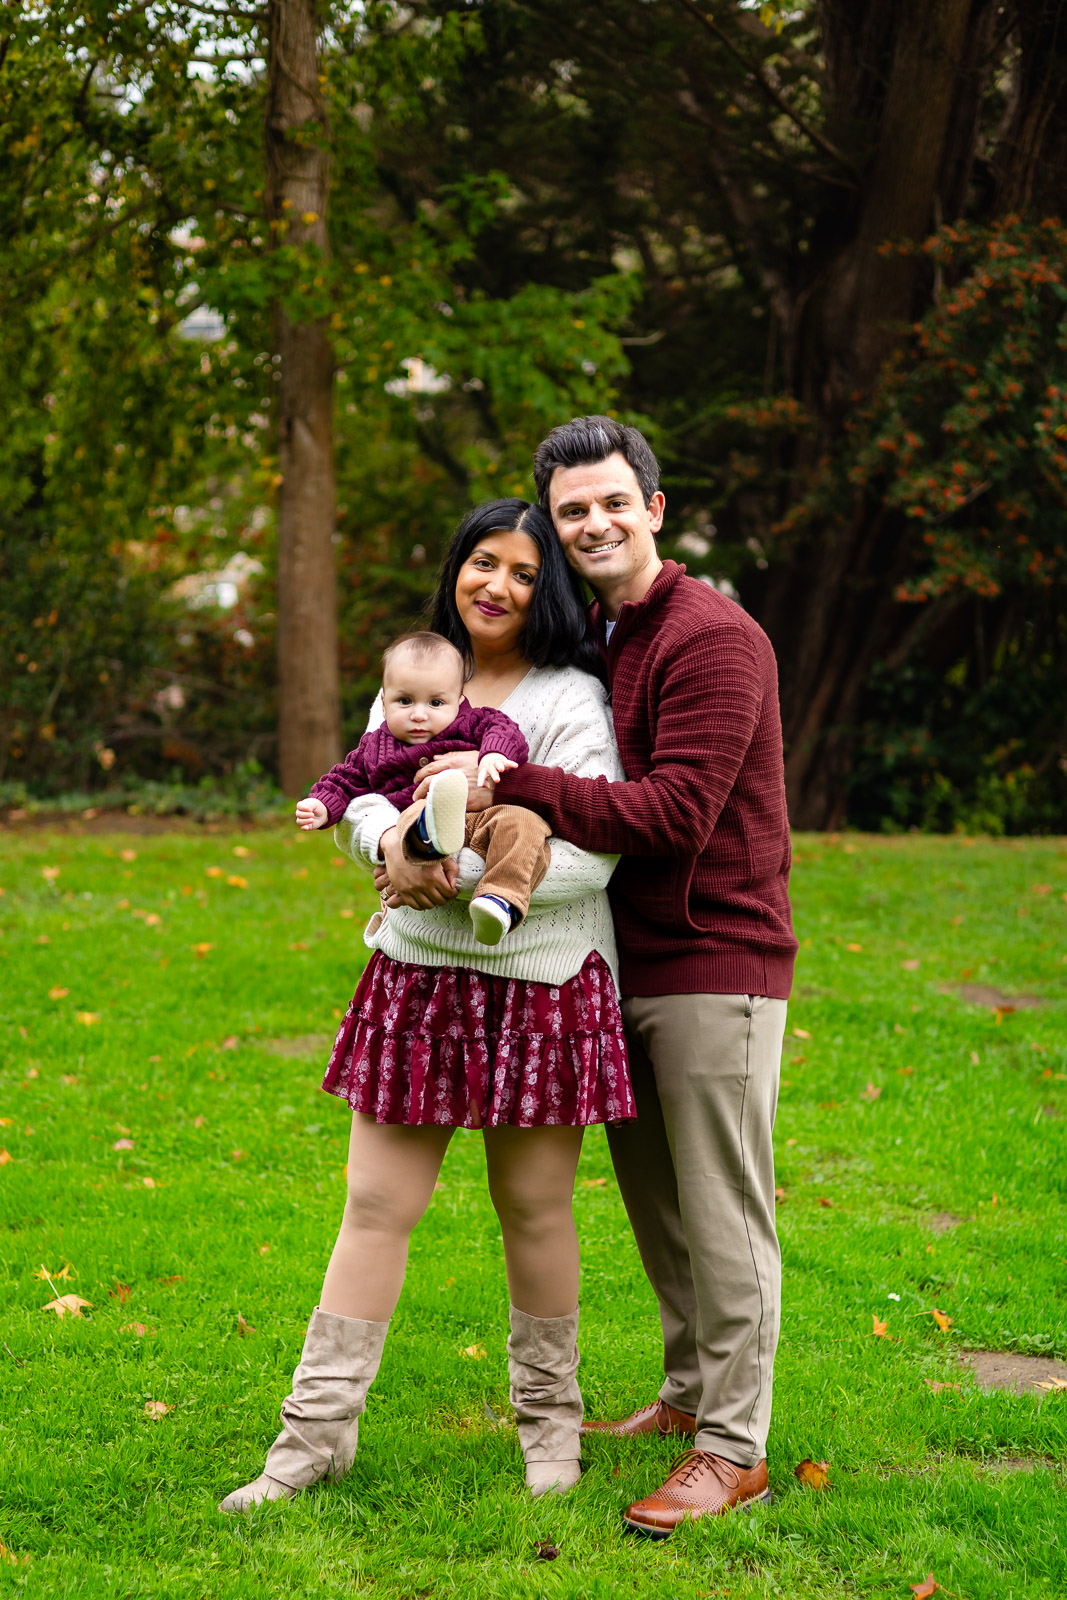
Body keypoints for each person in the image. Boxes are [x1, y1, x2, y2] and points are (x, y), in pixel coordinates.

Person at [219, 497, 633, 1515]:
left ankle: (547, 1425)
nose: (495, 585)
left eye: (524, 573)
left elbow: (595, 848)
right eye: (481, 563)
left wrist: (469, 868)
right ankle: (314, 1436)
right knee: (374, 1205)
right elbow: (361, 796)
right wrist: (386, 850)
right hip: (416, 980)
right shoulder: (415, 676)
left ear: (552, 592)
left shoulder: (572, 697)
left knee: (531, 1208)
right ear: (454, 567)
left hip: (537, 982)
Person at [435, 417, 798, 1537]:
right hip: (619, 955)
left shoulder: (710, 636)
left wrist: (518, 783)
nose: (590, 522)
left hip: (713, 957)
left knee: (723, 1208)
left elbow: (677, 811)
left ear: (652, 506)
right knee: (660, 1202)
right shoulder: (607, 632)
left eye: (608, 502)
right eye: (568, 510)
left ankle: (732, 1449)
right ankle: (689, 1396)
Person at [294, 630, 552, 946]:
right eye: (404, 701)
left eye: (435, 702)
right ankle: (423, 846)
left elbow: (504, 730)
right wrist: (321, 805)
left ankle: (500, 901)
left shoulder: (470, 723)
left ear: (459, 701)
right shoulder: (375, 747)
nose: (419, 714)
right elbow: (345, 780)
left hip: (480, 819)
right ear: (384, 701)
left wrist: (494, 753)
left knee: (525, 824)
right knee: (417, 811)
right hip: (417, 817)